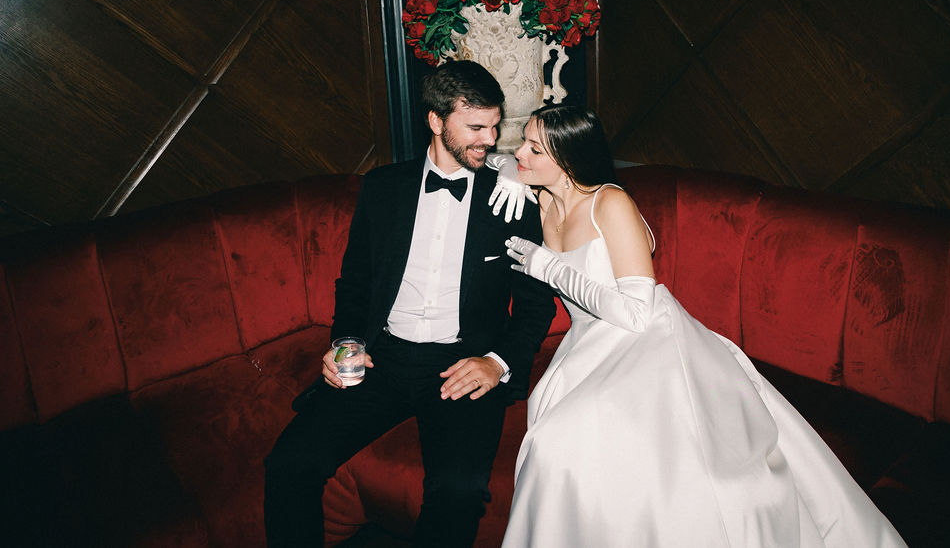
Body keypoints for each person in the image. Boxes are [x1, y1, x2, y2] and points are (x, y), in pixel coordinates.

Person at [490, 104, 907, 547]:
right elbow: (490, 157)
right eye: (525, 144)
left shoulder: (609, 203)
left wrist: (549, 268)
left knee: (561, 441)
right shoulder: (543, 197)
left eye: (534, 148)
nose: (521, 152)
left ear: (567, 160)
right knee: (554, 438)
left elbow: (635, 310)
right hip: (588, 343)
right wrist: (505, 172)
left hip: (646, 339)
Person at [263, 60, 556, 548]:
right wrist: (347, 343)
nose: (491, 139)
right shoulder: (382, 188)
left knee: (459, 493)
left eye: (495, 126)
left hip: (460, 363)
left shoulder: (512, 199)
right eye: (476, 127)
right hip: (382, 357)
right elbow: (355, 283)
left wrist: (496, 362)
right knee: (290, 462)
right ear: (437, 121)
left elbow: (535, 305)